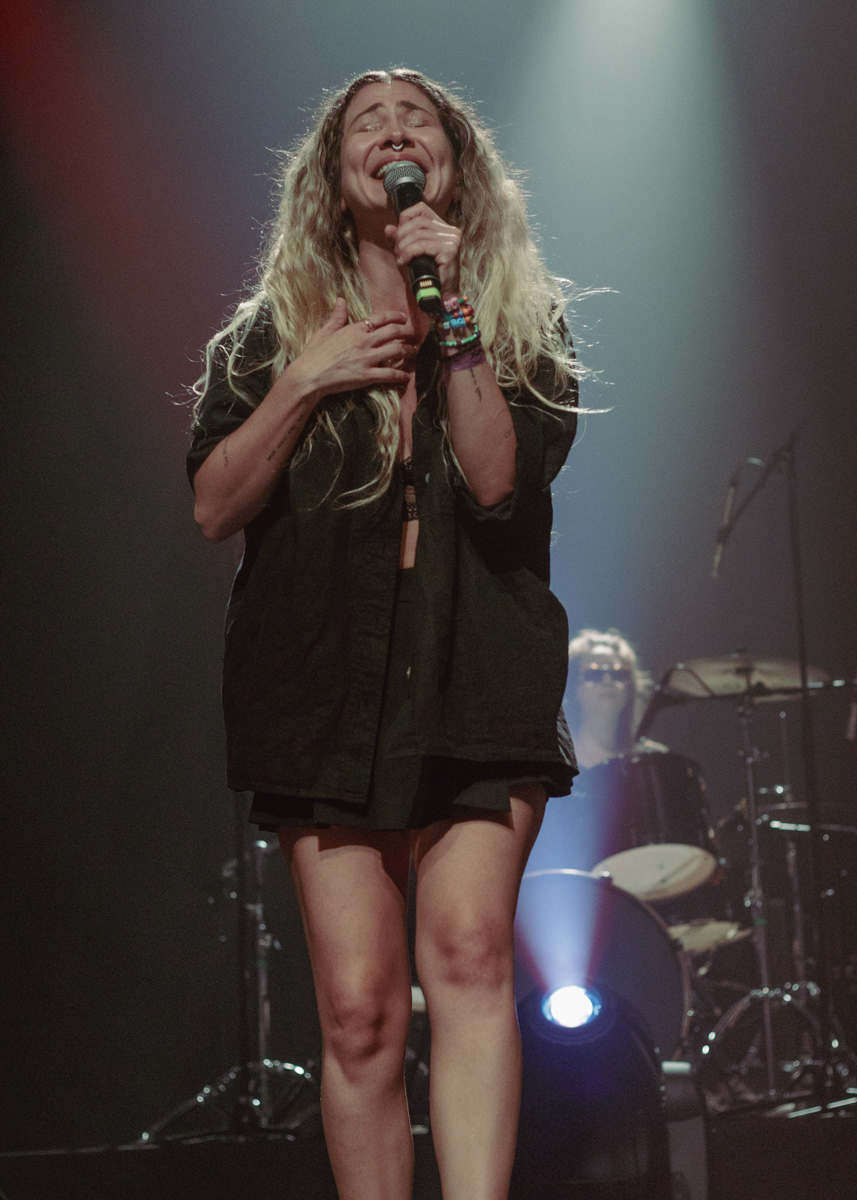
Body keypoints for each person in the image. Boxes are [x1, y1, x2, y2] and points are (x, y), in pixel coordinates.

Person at [187, 69, 580, 1200]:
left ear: (454, 170)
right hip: (323, 683)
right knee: (358, 1007)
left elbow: (496, 485)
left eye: (419, 122)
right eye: (370, 121)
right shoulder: (268, 338)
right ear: (333, 173)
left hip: (474, 670)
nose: (396, 132)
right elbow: (213, 506)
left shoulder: (518, 325)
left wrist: (448, 310)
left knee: (468, 955)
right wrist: (304, 382)